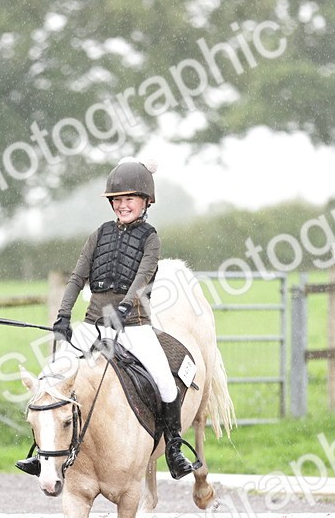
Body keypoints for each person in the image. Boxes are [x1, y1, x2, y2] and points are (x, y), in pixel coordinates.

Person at [16, 157, 201, 480]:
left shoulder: (150, 238)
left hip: (135, 327)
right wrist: (63, 315)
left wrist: (127, 307)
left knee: (165, 384)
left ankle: (173, 449)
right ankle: (41, 454)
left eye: (129, 199)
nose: (122, 205)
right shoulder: (99, 235)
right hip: (92, 325)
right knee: (48, 379)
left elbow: (143, 276)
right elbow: (77, 278)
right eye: (117, 200)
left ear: (145, 202)